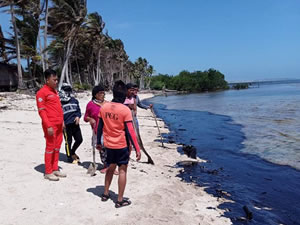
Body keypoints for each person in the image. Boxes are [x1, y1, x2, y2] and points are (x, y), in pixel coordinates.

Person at [96, 80, 141, 208]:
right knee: (122, 171)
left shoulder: (104, 107)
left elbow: (99, 127)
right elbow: (130, 131)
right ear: (125, 94)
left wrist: (99, 142)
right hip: (121, 146)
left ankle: (105, 193)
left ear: (113, 92)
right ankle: (120, 200)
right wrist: (137, 148)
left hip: (109, 145)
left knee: (110, 168)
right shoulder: (125, 110)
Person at [36, 69, 66, 181]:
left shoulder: (55, 92)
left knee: (57, 147)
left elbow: (59, 108)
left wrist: (62, 122)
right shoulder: (41, 93)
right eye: (54, 79)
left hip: (59, 124)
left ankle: (55, 168)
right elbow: (42, 111)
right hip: (50, 124)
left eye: (57, 79)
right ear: (47, 80)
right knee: (50, 147)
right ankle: (48, 172)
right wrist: (48, 125)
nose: (56, 81)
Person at [84, 85, 115, 174]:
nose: (102, 94)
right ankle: (106, 165)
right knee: (102, 148)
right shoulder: (90, 104)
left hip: (109, 129)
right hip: (97, 130)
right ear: (95, 94)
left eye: (103, 92)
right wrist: (90, 119)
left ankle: (111, 166)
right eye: (100, 93)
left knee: (110, 148)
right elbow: (85, 117)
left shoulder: (108, 104)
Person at [59, 83, 83, 164]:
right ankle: (69, 157)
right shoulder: (59, 103)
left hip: (75, 124)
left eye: (69, 90)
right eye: (66, 90)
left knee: (79, 139)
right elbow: (58, 114)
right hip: (66, 125)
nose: (68, 92)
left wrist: (78, 116)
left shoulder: (74, 101)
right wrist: (61, 122)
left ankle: (72, 152)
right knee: (68, 141)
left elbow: (78, 111)